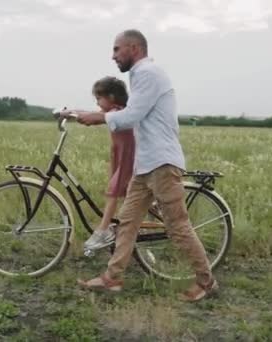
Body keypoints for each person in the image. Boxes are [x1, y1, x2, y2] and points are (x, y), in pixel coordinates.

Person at [67, 29, 218, 301]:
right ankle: (112, 278)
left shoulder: (149, 74)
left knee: (178, 227)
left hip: (161, 163)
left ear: (134, 48)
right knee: (127, 222)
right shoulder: (141, 76)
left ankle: (207, 282)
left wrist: (99, 117)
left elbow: (132, 115)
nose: (112, 56)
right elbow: (132, 114)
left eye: (117, 49)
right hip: (146, 165)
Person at [82, 76, 135, 251]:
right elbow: (95, 115)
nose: (97, 102)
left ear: (111, 97)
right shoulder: (115, 112)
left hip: (128, 159)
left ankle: (103, 229)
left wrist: (73, 115)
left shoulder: (119, 112)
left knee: (113, 193)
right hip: (121, 158)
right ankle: (150, 223)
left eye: (99, 98)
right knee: (131, 197)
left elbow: (97, 117)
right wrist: (70, 112)